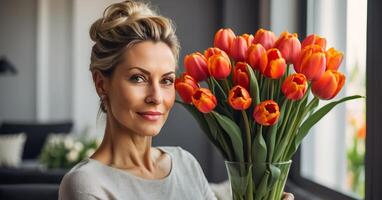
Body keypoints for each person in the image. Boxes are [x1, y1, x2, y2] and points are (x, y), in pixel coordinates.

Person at [58, 1, 294, 199]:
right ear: (101, 83)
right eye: (138, 78)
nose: (156, 97)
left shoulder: (184, 163)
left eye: (167, 81)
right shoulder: (87, 185)